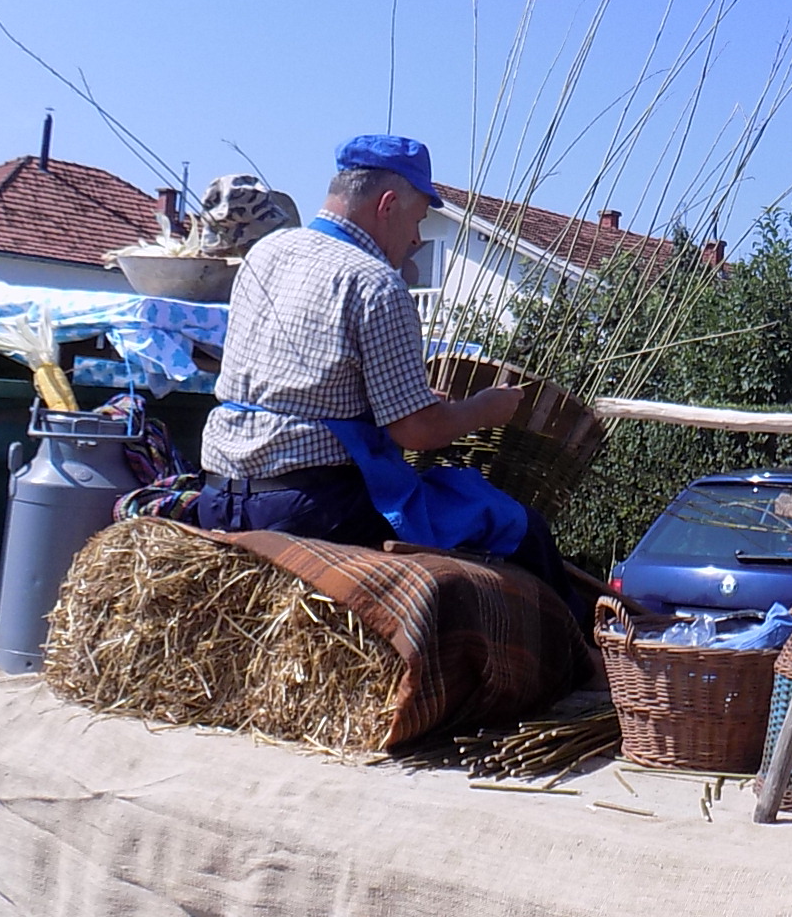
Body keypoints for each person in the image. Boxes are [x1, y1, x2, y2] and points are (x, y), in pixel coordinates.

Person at [193, 134, 585, 620]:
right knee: (516, 524)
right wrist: (487, 408)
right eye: (419, 219)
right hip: (312, 506)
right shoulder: (375, 283)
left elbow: (303, 385)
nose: (417, 238)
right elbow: (418, 432)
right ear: (388, 204)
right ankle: (579, 658)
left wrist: (401, 403)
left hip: (219, 493)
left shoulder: (267, 253)